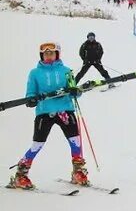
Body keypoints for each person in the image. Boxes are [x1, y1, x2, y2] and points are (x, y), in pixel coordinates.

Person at [8, 42, 89, 190]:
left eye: (51, 53)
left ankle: (78, 171)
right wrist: (31, 99)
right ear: (42, 55)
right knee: (37, 144)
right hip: (45, 112)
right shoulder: (35, 73)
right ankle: (21, 174)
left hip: (65, 110)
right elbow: (30, 93)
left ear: (57, 54)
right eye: (46, 53)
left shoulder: (66, 71)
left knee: (75, 140)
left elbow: (75, 89)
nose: (49, 56)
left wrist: (75, 91)